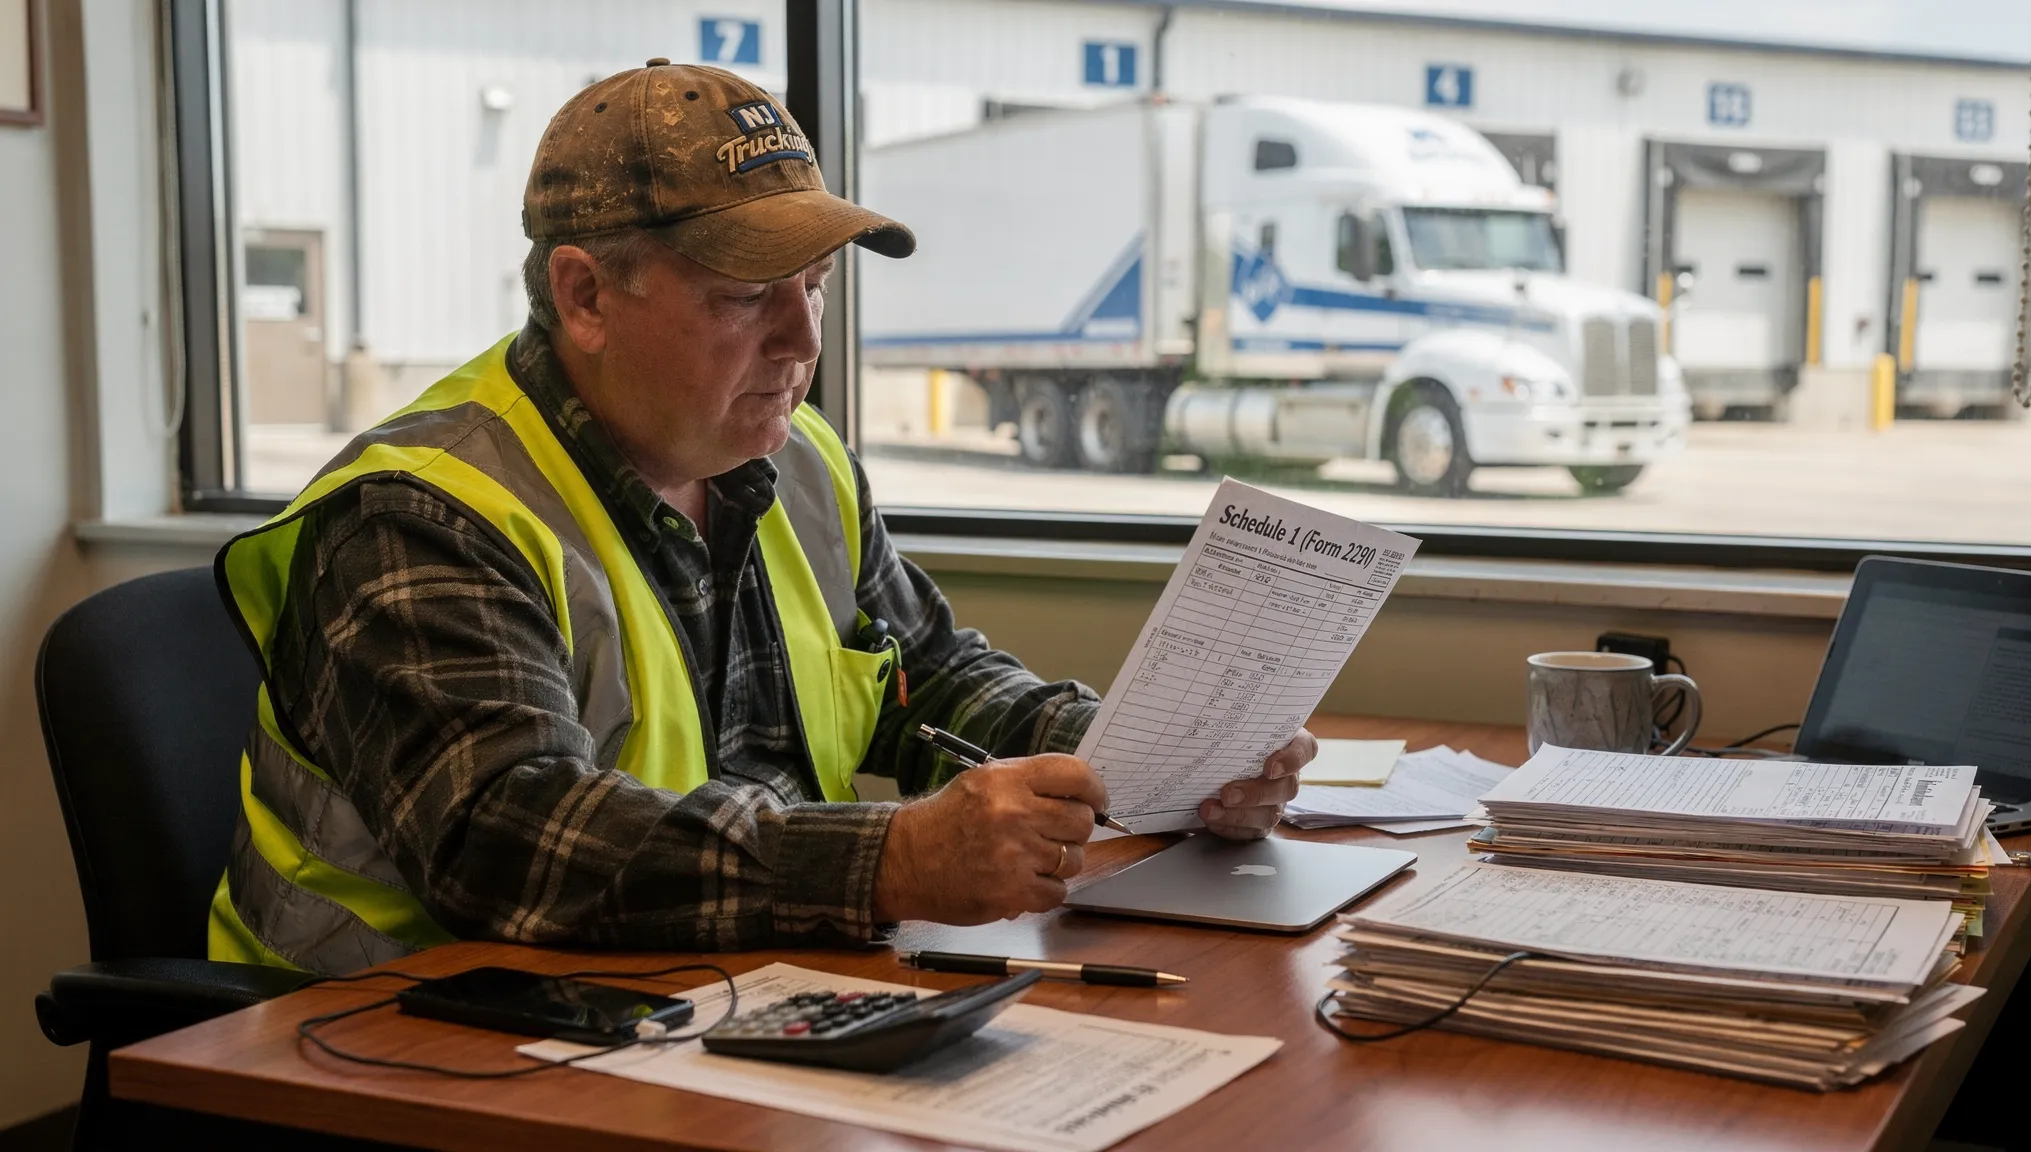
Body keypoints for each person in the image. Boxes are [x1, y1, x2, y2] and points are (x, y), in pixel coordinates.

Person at [207, 62, 1312, 975]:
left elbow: (922, 680)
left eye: (816, 286)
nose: (801, 340)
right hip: (391, 1053)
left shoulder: (793, 461)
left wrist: (1145, 761)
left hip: (710, 999)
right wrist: (889, 863)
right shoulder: (422, 512)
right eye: (745, 296)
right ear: (586, 296)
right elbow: (509, 842)